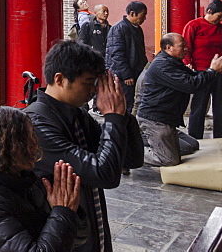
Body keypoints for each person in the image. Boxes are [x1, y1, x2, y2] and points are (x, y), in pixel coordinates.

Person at [25, 40, 144, 252]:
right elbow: (104, 174)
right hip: (63, 236)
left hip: (91, 229)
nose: (93, 91)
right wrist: (113, 118)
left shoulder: (77, 114)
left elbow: (130, 159)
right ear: (60, 79)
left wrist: (122, 114)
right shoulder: (36, 124)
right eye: (89, 82)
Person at [0, 107, 81, 252]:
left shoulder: (25, 178)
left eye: (33, 135)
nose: (34, 145)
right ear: (2, 144)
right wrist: (63, 211)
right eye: (25, 139)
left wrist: (65, 207)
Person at [137, 33, 222, 167]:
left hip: (167, 120)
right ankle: (130, 150)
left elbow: (193, 76)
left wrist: (211, 72)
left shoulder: (173, 61)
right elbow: (191, 85)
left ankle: (154, 141)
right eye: (182, 46)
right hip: (155, 120)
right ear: (169, 48)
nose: (186, 49)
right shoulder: (162, 65)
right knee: (170, 160)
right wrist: (212, 71)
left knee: (191, 145)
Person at [183, 0, 222, 139]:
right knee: (199, 106)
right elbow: (186, 48)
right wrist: (188, 64)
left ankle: (220, 135)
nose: (221, 19)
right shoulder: (193, 26)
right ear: (209, 11)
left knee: (221, 106)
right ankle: (195, 137)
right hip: (201, 72)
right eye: (219, 16)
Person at [105, 1, 149, 114]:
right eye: (143, 15)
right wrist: (126, 75)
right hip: (125, 76)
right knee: (126, 105)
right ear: (133, 13)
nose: (144, 18)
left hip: (136, 72)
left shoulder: (137, 29)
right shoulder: (118, 29)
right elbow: (116, 54)